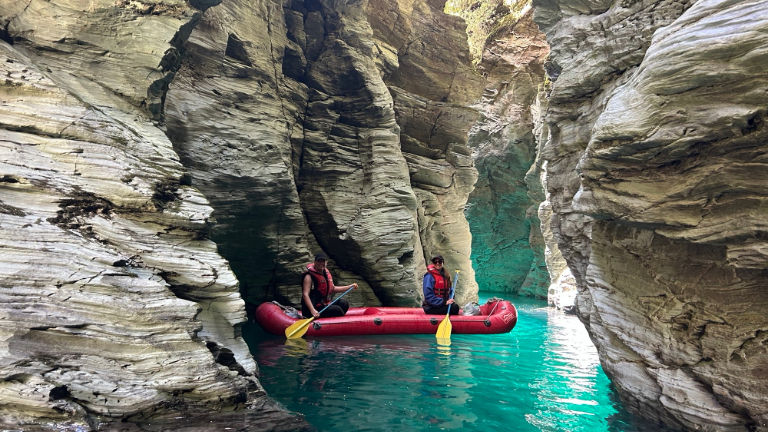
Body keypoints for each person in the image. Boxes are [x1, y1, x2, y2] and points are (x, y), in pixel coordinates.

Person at [301, 253, 357, 318]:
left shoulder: (325, 274)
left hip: (323, 305)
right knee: (337, 310)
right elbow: (305, 295)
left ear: (326, 262)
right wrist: (312, 310)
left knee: (344, 303)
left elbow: (333, 288)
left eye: (323, 261)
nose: (321, 263)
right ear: (315, 262)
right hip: (313, 308)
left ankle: (333, 321)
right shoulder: (309, 276)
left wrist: (350, 286)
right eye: (319, 261)